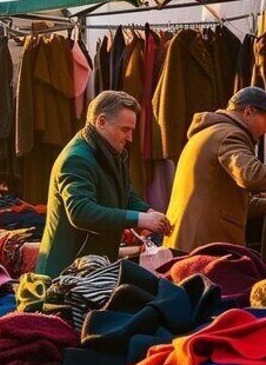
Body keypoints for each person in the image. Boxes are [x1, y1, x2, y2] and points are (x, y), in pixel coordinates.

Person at [36, 91, 170, 277]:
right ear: (101, 122)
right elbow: (81, 212)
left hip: (89, 268)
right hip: (66, 273)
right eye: (125, 129)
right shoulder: (76, 159)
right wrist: (140, 219)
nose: (130, 138)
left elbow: (124, 191)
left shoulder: (110, 151)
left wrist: (147, 211)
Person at [165, 87, 266, 252]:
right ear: (249, 111)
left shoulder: (209, 132)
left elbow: (232, 202)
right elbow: (251, 175)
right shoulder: (230, 135)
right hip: (204, 244)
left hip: (188, 239)